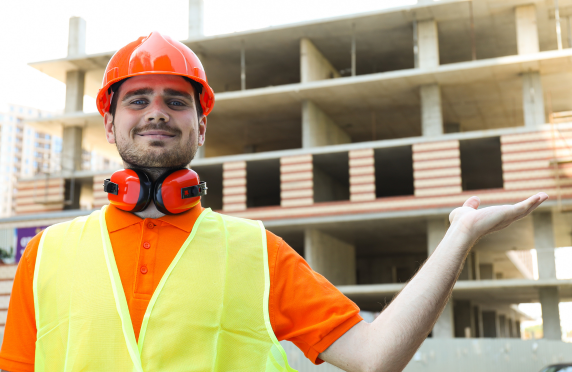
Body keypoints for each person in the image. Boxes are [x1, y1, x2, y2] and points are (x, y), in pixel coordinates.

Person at [0, 32, 547, 372]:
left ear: (201, 124)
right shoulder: (46, 255)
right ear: (109, 122)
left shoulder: (257, 251)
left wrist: (460, 236)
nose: (156, 111)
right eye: (138, 99)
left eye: (176, 101)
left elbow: (375, 357)